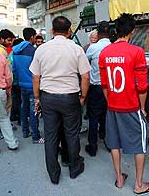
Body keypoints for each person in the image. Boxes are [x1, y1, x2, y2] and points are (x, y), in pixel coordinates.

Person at [98, 13, 149, 194]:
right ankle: (139, 185)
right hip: (132, 107)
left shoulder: (104, 53)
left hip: (112, 107)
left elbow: (105, 85)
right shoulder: (136, 52)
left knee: (114, 143)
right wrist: (143, 108)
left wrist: (111, 102)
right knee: (140, 143)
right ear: (132, 31)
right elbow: (143, 86)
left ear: (116, 30)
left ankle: (119, 179)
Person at [29, 16, 90, 184]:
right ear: (69, 31)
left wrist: (37, 98)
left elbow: (36, 77)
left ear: (52, 31)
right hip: (70, 97)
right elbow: (85, 76)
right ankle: (74, 168)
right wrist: (83, 97)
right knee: (71, 133)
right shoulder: (76, 49)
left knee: (51, 135)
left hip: (48, 97)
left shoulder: (41, 49)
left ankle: (54, 174)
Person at [12, 28, 44, 144]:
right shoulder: (33, 51)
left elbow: (14, 69)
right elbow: (38, 70)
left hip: (21, 83)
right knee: (34, 110)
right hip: (32, 84)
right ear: (32, 37)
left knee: (24, 107)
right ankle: (35, 136)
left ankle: (25, 131)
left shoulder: (15, 50)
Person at [85, 20, 110, 157]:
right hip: (111, 88)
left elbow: (84, 64)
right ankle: (107, 141)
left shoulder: (93, 48)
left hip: (96, 88)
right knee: (107, 115)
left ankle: (92, 146)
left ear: (98, 33)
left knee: (93, 117)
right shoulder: (113, 47)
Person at [9, 38, 24, 125]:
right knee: (20, 100)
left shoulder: (11, 54)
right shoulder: (20, 54)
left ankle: (13, 115)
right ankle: (20, 118)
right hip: (19, 80)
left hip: (13, 80)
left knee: (15, 99)